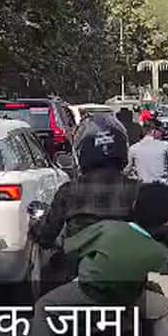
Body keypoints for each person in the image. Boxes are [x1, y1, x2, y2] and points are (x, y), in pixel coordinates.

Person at [28, 182, 168, 336]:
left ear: (134, 205)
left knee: (42, 307)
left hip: (86, 295)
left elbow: (69, 248)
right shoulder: (159, 251)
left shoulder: (107, 228)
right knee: (165, 308)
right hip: (129, 301)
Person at [34, 114, 142, 286]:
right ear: (122, 149)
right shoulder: (139, 190)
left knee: (42, 308)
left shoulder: (68, 191)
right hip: (127, 281)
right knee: (162, 309)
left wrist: (35, 226)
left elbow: (46, 235)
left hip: (81, 282)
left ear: (82, 153)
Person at [129, 120, 168, 187]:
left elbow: (127, 170)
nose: (162, 133)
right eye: (161, 131)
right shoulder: (165, 146)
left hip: (142, 187)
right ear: (153, 131)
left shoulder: (133, 148)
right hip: (162, 186)